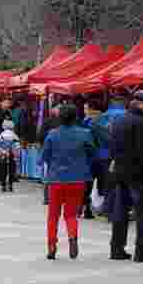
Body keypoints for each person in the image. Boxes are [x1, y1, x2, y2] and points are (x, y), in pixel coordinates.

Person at [108, 90, 143, 263]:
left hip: (120, 172)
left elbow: (113, 148)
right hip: (139, 174)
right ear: (140, 103)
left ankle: (116, 249)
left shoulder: (118, 120)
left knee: (120, 211)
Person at [40, 105, 95, 260]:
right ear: (75, 117)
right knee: (71, 214)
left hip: (56, 178)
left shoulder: (52, 134)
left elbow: (44, 157)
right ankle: (72, 237)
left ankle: (51, 246)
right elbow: (92, 153)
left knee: (53, 215)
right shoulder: (85, 134)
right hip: (78, 178)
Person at [0, 120, 21, 192]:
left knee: (3, 169)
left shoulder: (1, 135)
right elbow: (17, 146)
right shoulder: (14, 135)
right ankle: (10, 185)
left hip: (3, 153)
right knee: (11, 169)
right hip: (12, 153)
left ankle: (3, 185)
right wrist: (17, 155)